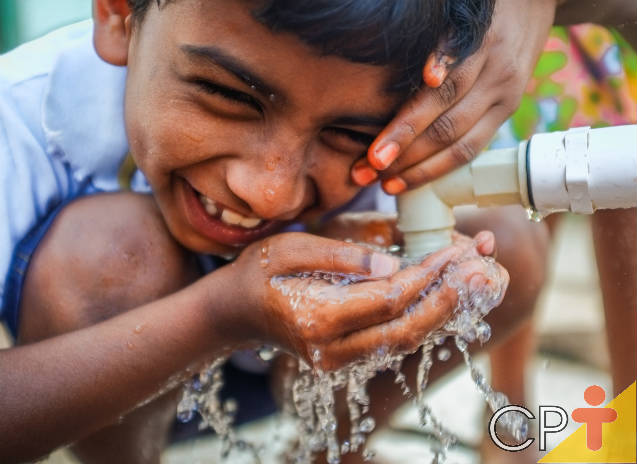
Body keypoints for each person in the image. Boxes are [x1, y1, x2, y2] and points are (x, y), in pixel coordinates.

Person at [0, 1, 546, 463]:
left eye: (347, 134)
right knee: (114, 253)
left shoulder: (412, 95)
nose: (270, 193)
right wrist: (217, 315)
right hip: (88, 385)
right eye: (229, 96)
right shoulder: (16, 119)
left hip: (289, 377)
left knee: (503, 246)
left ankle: (331, 450)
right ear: (120, 14)